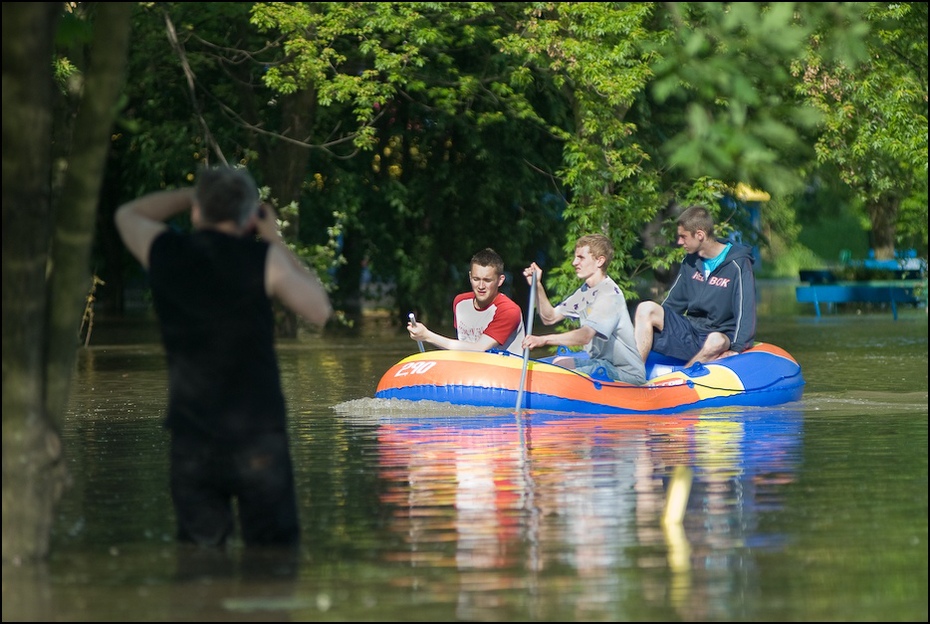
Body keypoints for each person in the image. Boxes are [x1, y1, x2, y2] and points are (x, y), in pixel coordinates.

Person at [114, 165, 332, 548]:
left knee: (198, 564)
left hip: (193, 437)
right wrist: (274, 237)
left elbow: (126, 214)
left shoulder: (166, 252)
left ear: (197, 211)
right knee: (274, 564)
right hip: (258, 438)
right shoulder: (263, 259)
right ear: (249, 215)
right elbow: (319, 311)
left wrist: (190, 194)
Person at [634, 204, 756, 368]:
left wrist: (737, 347)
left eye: (683, 237)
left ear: (700, 235)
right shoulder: (690, 262)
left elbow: (745, 310)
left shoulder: (738, 263)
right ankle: (634, 373)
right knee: (645, 308)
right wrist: (653, 329)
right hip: (690, 330)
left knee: (716, 340)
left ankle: (683, 378)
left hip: (719, 336)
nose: (679, 242)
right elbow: (672, 305)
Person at [521, 234, 646, 385]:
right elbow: (550, 318)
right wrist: (537, 285)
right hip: (603, 364)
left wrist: (543, 339)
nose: (574, 262)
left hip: (626, 374)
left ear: (599, 261)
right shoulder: (585, 291)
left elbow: (585, 336)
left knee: (561, 375)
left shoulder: (609, 295)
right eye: (575, 257)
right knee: (560, 362)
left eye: (581, 257)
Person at [407, 248, 526, 354]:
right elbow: (461, 346)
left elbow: (480, 349)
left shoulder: (509, 311)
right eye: (476, 279)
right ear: (470, 277)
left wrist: (427, 336)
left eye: (487, 280)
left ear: (500, 280)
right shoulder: (460, 302)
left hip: (505, 372)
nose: (480, 286)